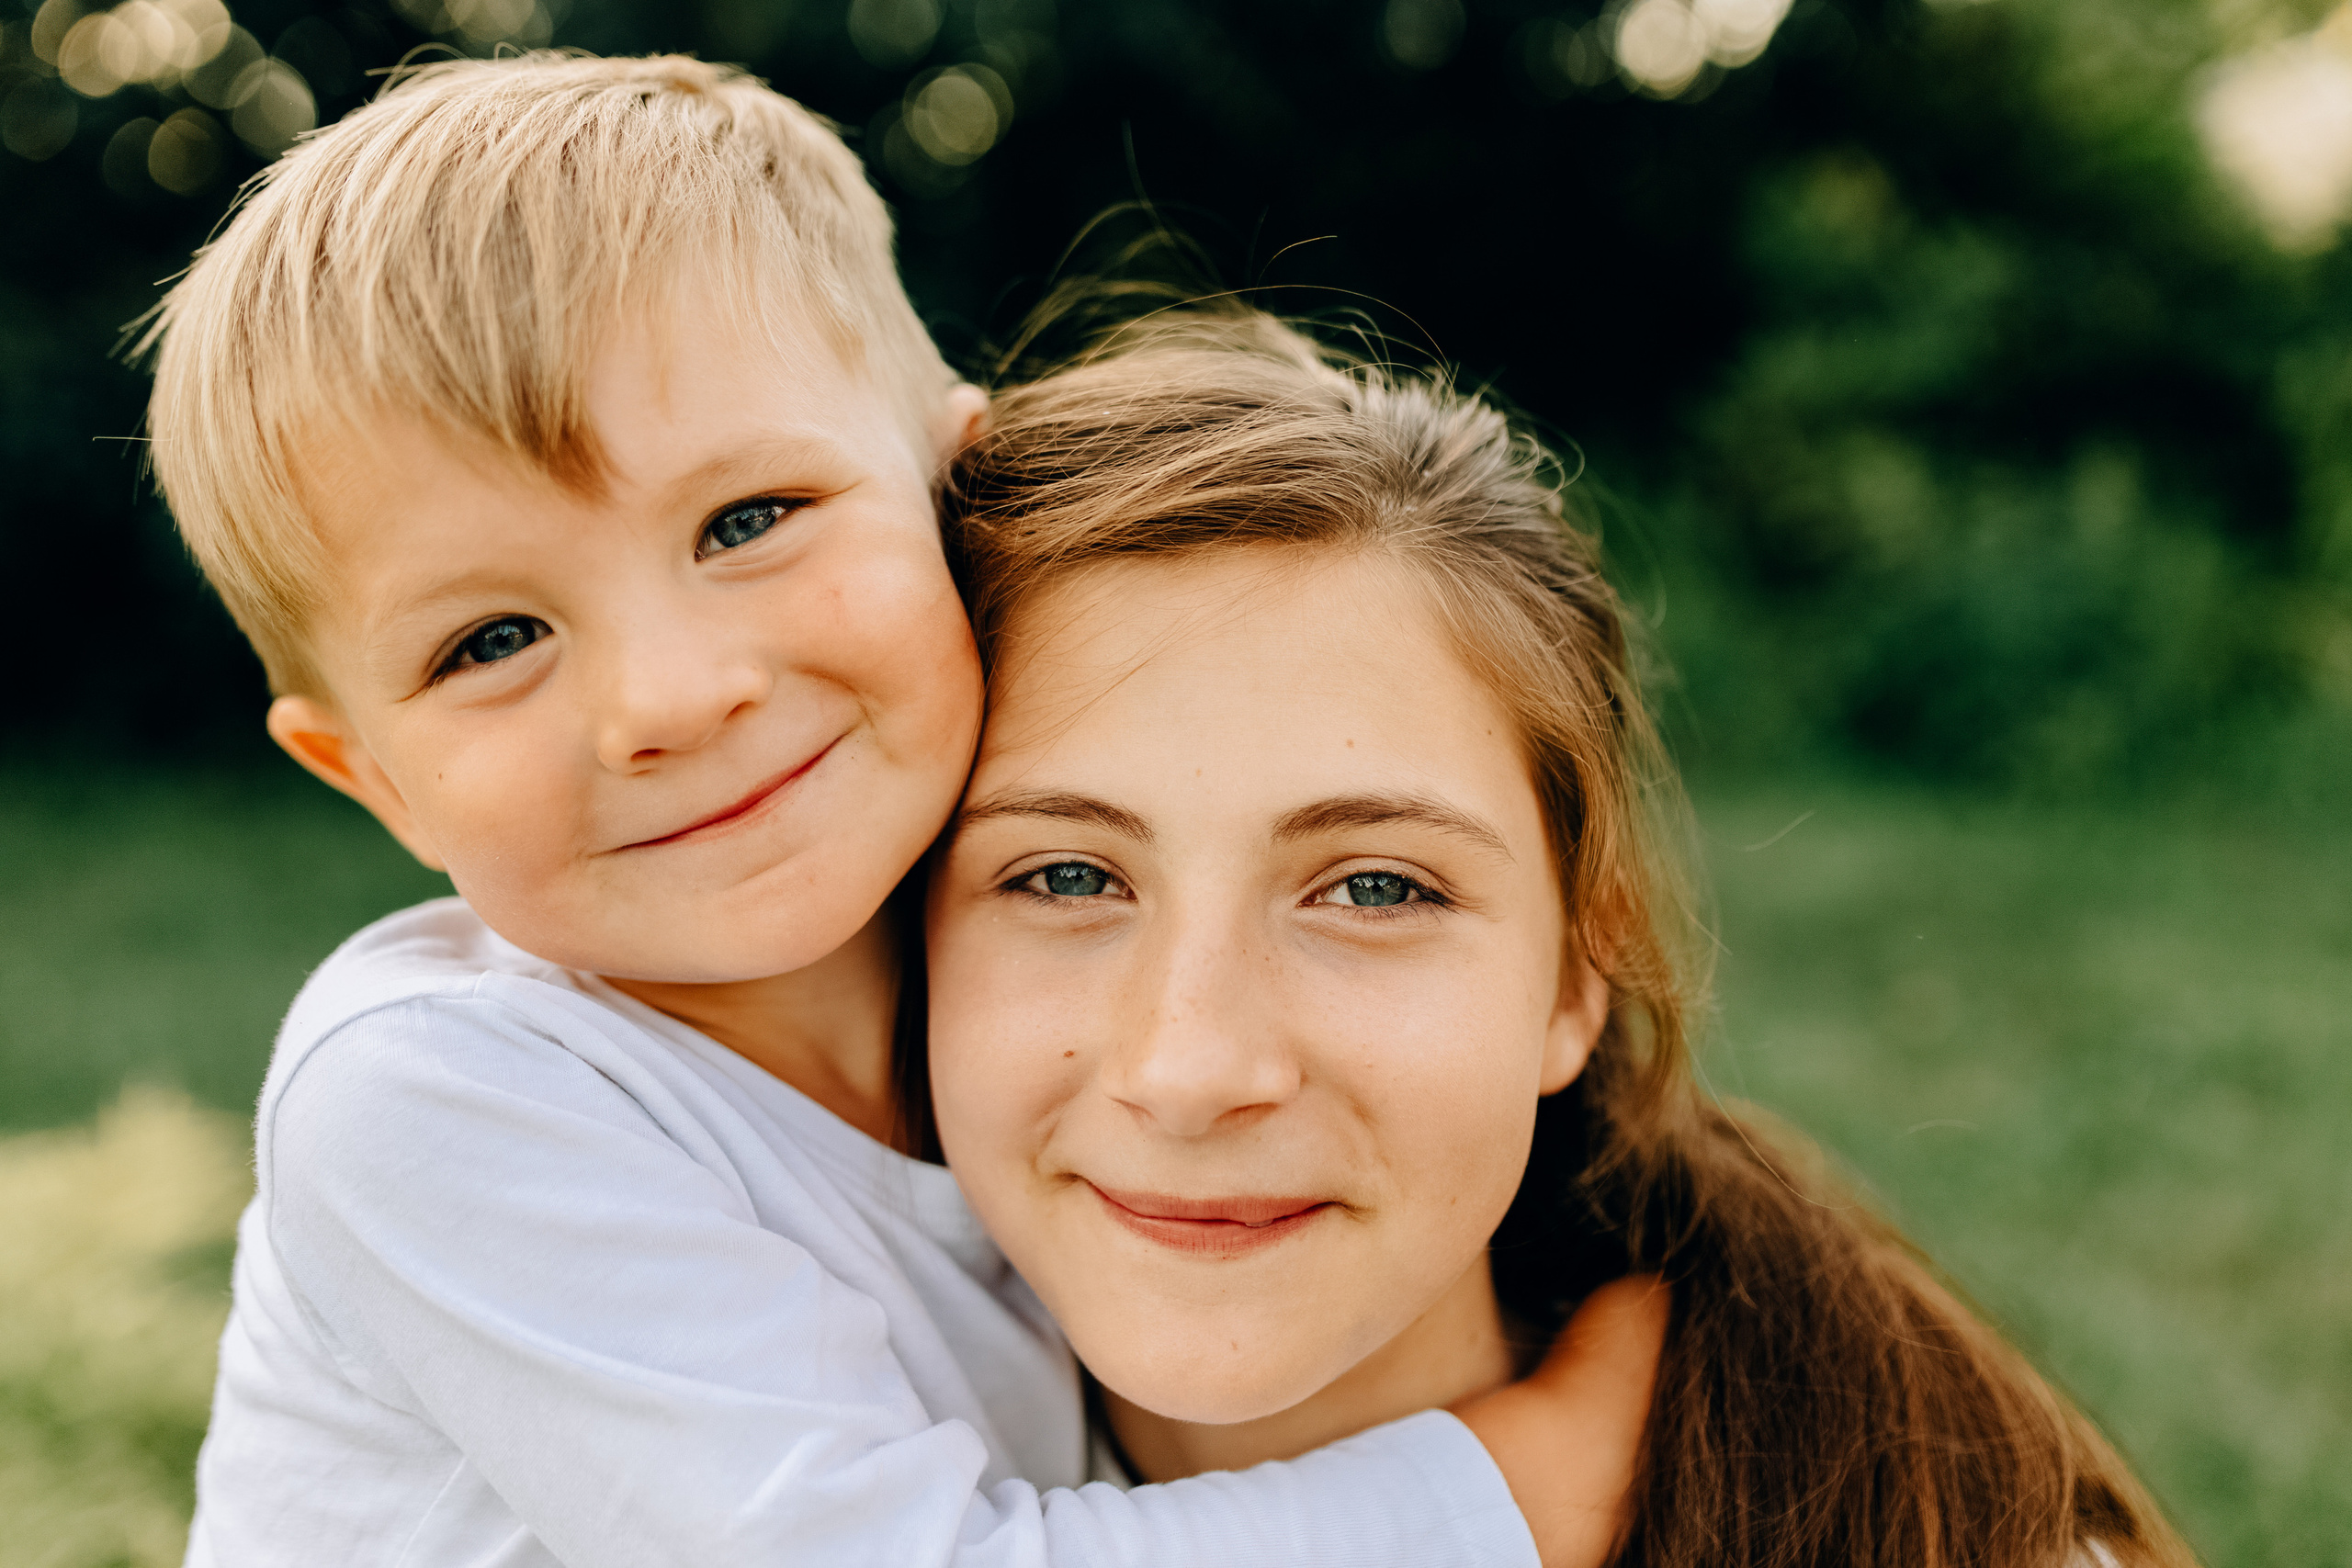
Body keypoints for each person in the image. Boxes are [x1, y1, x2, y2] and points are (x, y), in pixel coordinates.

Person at [140, 51, 1658, 1568]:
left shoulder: (998, 993)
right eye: (492, 642)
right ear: (374, 782)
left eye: (748, 521)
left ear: (952, 490)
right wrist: (1518, 1489)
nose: (670, 699)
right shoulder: (436, 1099)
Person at [924, 310, 2201, 1568]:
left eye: (1375, 890)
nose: (1192, 1068)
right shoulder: (794, 1476)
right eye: (1068, 874)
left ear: (1576, 978)